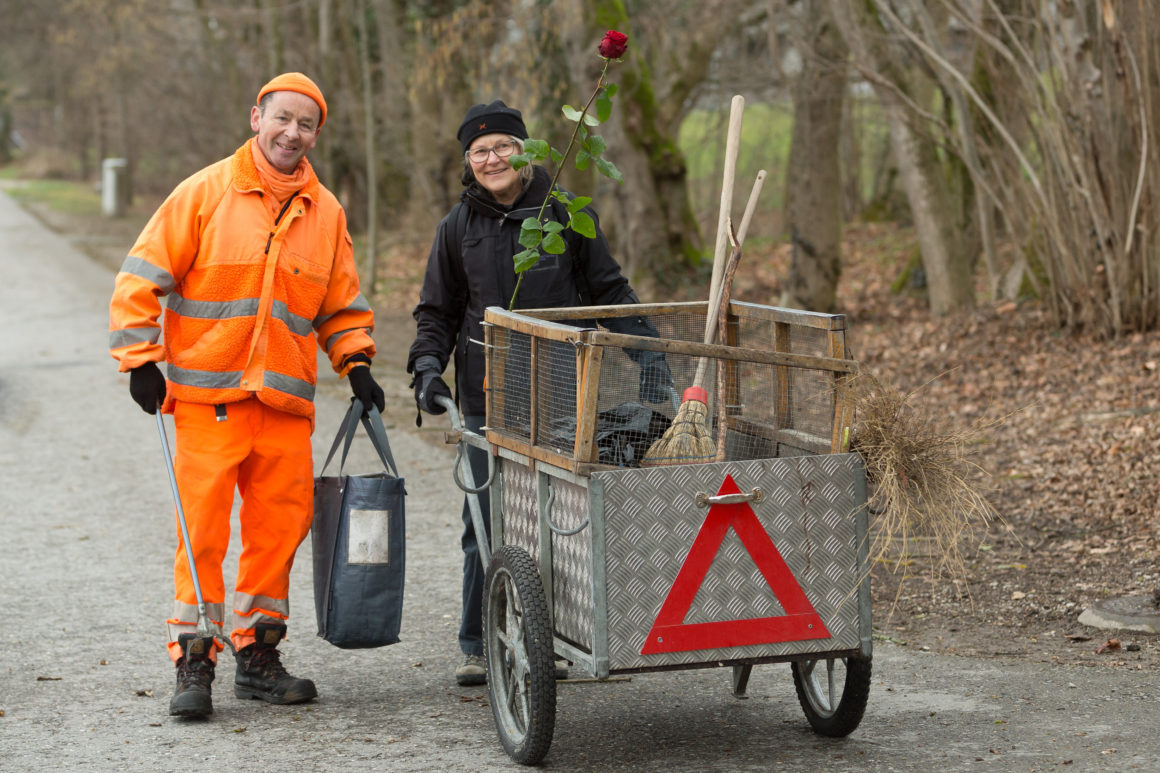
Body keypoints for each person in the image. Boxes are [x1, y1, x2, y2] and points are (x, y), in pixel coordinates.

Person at [108, 73, 385, 718]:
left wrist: (357, 362)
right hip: (210, 402)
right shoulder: (204, 192)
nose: (293, 132)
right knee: (201, 533)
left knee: (278, 533)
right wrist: (140, 359)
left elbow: (340, 304)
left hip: (284, 408)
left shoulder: (327, 211)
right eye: (282, 118)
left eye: (307, 124)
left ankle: (257, 653)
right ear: (257, 115)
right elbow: (140, 277)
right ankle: (194, 660)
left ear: (317, 134)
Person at [407, 99, 671, 686]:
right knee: (485, 520)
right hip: (485, 398)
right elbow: (438, 311)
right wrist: (427, 367)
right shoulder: (457, 228)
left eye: (503, 145)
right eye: (479, 151)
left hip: (560, 394)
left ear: (526, 151)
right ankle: (478, 642)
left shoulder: (565, 216)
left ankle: (558, 635)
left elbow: (608, 290)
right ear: (467, 162)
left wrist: (648, 354)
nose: (492, 158)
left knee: (558, 517)